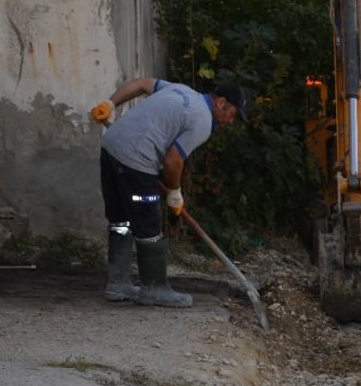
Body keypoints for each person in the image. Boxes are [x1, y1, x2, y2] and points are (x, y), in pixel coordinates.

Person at [90, 79, 247, 306]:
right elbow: (173, 161)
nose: (231, 121)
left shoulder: (181, 90)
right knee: (149, 222)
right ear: (221, 103)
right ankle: (154, 288)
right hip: (137, 162)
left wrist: (110, 103)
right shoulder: (202, 120)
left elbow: (141, 84)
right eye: (233, 114)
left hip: (111, 148)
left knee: (121, 219)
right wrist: (175, 192)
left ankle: (118, 283)